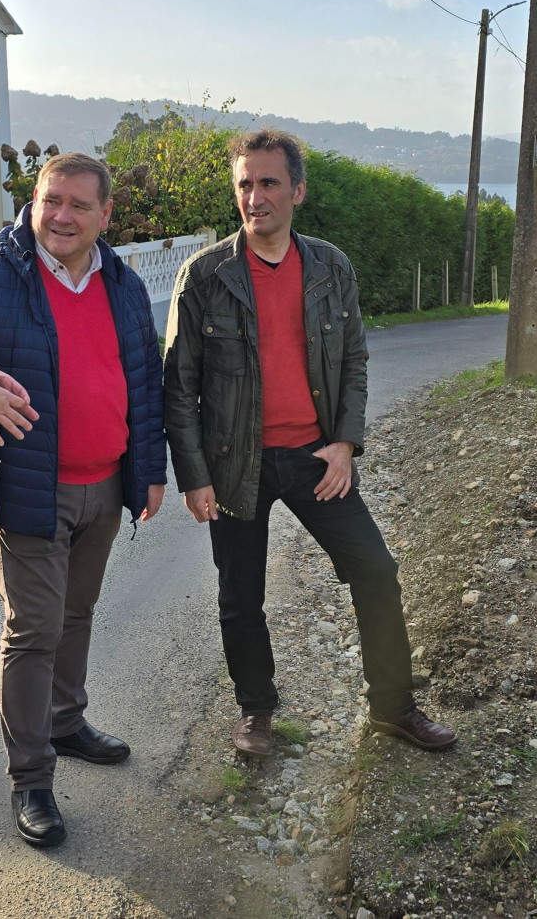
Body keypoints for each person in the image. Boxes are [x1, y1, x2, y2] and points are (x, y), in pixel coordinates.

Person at [164, 129, 455, 760]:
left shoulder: (330, 267)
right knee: (241, 595)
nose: (254, 196)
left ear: (297, 190)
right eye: (245, 183)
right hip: (235, 467)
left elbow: (352, 360)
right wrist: (194, 476)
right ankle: (256, 713)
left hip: (316, 459)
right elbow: (178, 384)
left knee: (375, 571)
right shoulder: (205, 275)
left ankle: (394, 708)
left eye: (268, 183)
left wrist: (347, 443)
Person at [0, 152, 167, 847]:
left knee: (76, 613)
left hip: (105, 480)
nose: (60, 215)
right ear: (33, 201)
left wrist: (147, 470)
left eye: (77, 204)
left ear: (105, 214)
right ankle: (30, 775)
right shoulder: (3, 273)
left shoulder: (120, 282)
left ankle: (65, 722)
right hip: (30, 482)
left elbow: (144, 378)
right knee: (33, 630)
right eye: (49, 200)